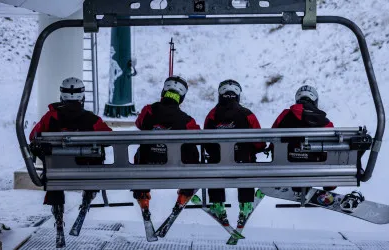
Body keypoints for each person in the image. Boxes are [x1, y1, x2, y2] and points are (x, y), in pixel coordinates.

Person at [29, 77, 112, 248]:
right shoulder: (91, 119)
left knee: (54, 170)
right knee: (96, 155)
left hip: (57, 172)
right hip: (86, 170)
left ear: (62, 95)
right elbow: (108, 138)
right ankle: (87, 200)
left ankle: (59, 221)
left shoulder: (50, 117)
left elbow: (33, 136)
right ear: (82, 96)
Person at [133, 75, 201, 222]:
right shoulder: (186, 120)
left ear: (163, 92)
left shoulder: (148, 111)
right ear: (181, 98)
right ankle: (184, 196)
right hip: (176, 168)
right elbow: (197, 135)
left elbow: (138, 124)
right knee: (191, 150)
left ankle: (143, 198)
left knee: (141, 152)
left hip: (146, 167)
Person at [203, 79, 265, 223]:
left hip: (218, 163)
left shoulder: (212, 115)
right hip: (243, 162)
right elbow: (259, 141)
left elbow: (206, 141)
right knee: (247, 164)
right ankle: (246, 204)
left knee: (214, 163)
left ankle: (218, 205)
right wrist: (257, 148)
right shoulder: (247, 114)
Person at [270, 85, 335, 193]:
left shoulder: (285, 115)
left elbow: (272, 137)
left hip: (286, 165)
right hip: (315, 167)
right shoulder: (324, 120)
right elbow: (332, 145)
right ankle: (329, 185)